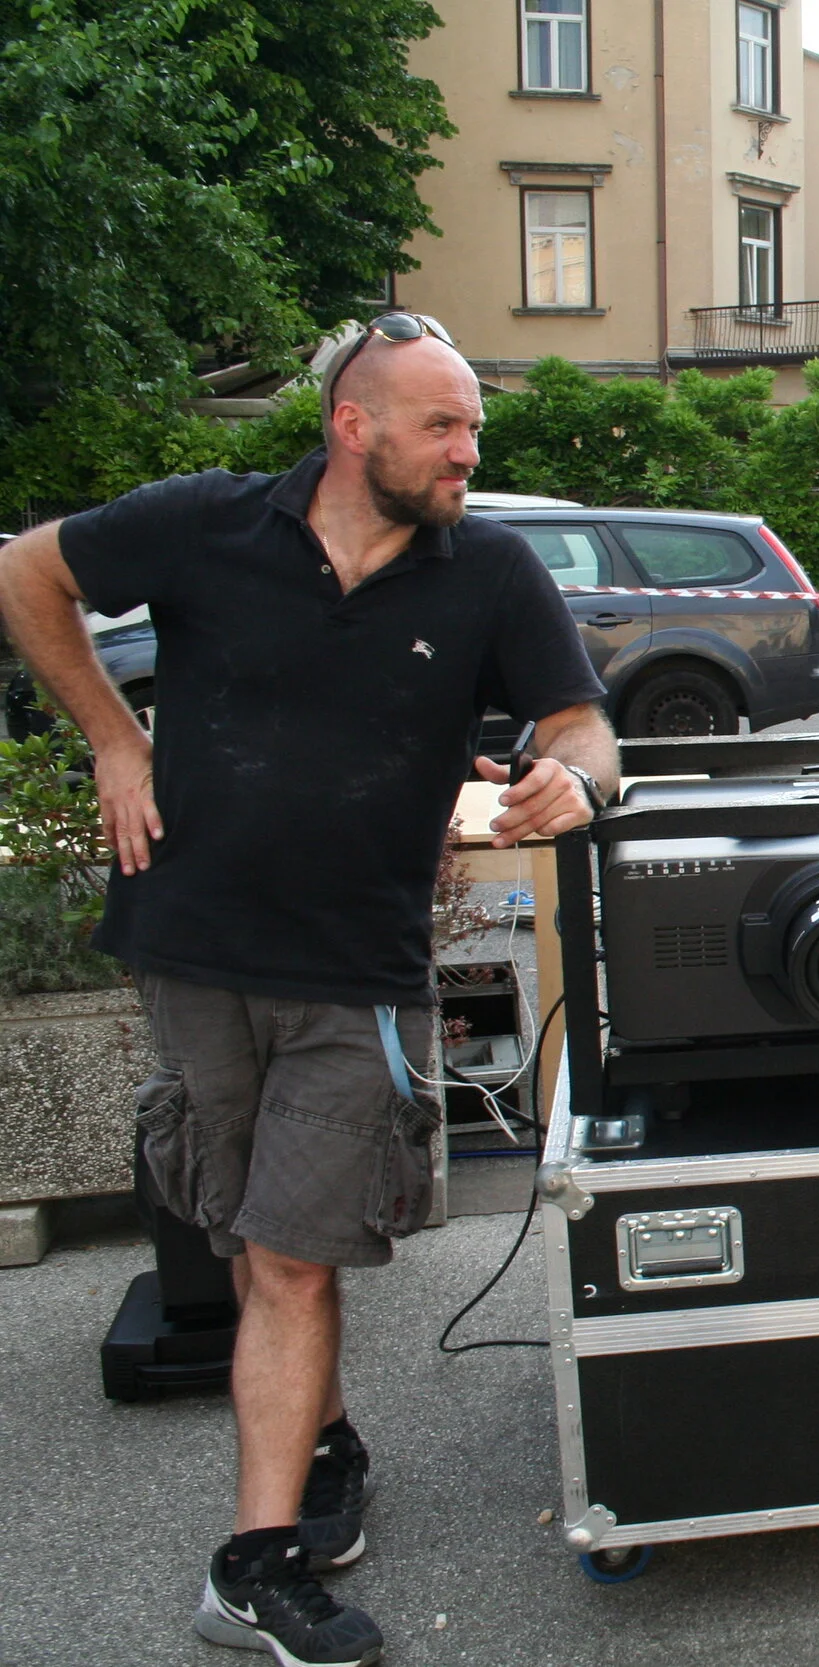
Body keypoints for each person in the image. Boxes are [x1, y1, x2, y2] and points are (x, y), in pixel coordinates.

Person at [0, 313, 615, 1667]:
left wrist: (577, 774)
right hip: (193, 947)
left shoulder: (489, 568)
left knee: (290, 1252)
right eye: (446, 426)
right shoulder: (204, 523)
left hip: (357, 967)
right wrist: (113, 737)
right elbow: (23, 572)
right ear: (355, 427)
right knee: (244, 1228)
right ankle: (324, 1436)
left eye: (472, 425)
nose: (471, 449)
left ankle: (253, 1564)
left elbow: (581, 721)